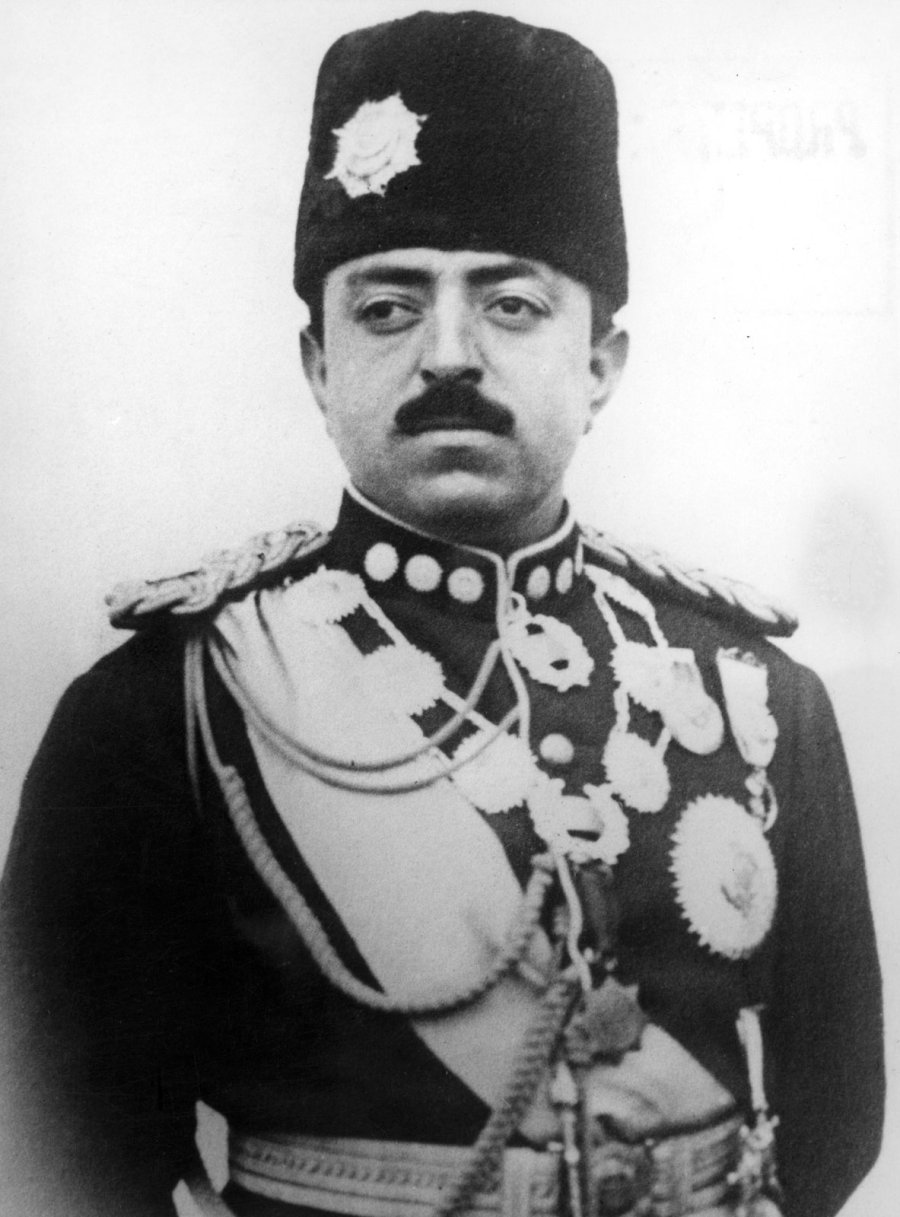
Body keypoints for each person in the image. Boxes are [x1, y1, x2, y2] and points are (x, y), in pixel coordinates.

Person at [0, 10, 883, 1217]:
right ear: (317, 363)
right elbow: (60, 1153)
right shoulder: (172, 707)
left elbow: (836, 1118)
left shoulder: (759, 700)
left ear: (601, 363)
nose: (449, 354)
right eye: (387, 307)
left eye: (512, 304)